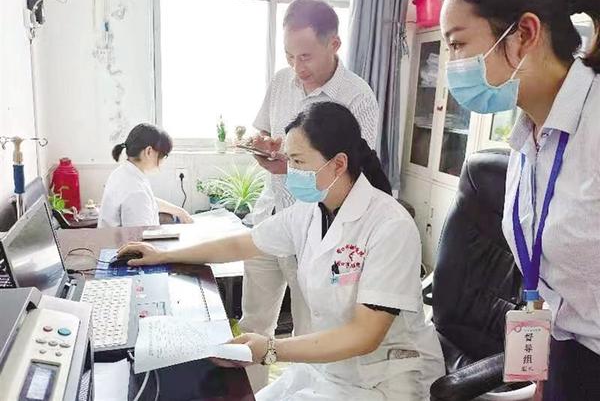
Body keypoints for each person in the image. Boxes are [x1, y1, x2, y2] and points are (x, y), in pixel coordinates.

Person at [118, 102, 444, 400]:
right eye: (289, 160)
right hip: (330, 371)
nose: (291, 171)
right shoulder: (311, 211)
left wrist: (271, 349)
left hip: (385, 381)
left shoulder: (389, 226)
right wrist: (164, 254)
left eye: (299, 161)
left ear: (338, 164)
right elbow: (243, 243)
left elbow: (365, 335)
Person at [440, 0, 600, 399]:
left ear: (525, 33)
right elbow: (552, 269)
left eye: (458, 44)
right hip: (567, 350)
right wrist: (542, 369)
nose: (452, 64)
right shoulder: (528, 137)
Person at [243, 0, 379, 362]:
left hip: (318, 229)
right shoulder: (281, 81)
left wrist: (290, 168)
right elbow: (266, 132)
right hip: (272, 212)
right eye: (289, 56)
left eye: (305, 57)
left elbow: (353, 174)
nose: (296, 67)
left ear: (334, 44)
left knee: (310, 331)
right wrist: (264, 146)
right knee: (254, 323)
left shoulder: (358, 98)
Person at [98, 123, 193, 228]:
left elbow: (148, 201)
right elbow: (138, 237)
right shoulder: (136, 191)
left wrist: (180, 212)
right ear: (149, 152)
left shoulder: (122, 172)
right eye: (164, 155)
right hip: (131, 238)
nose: (163, 161)